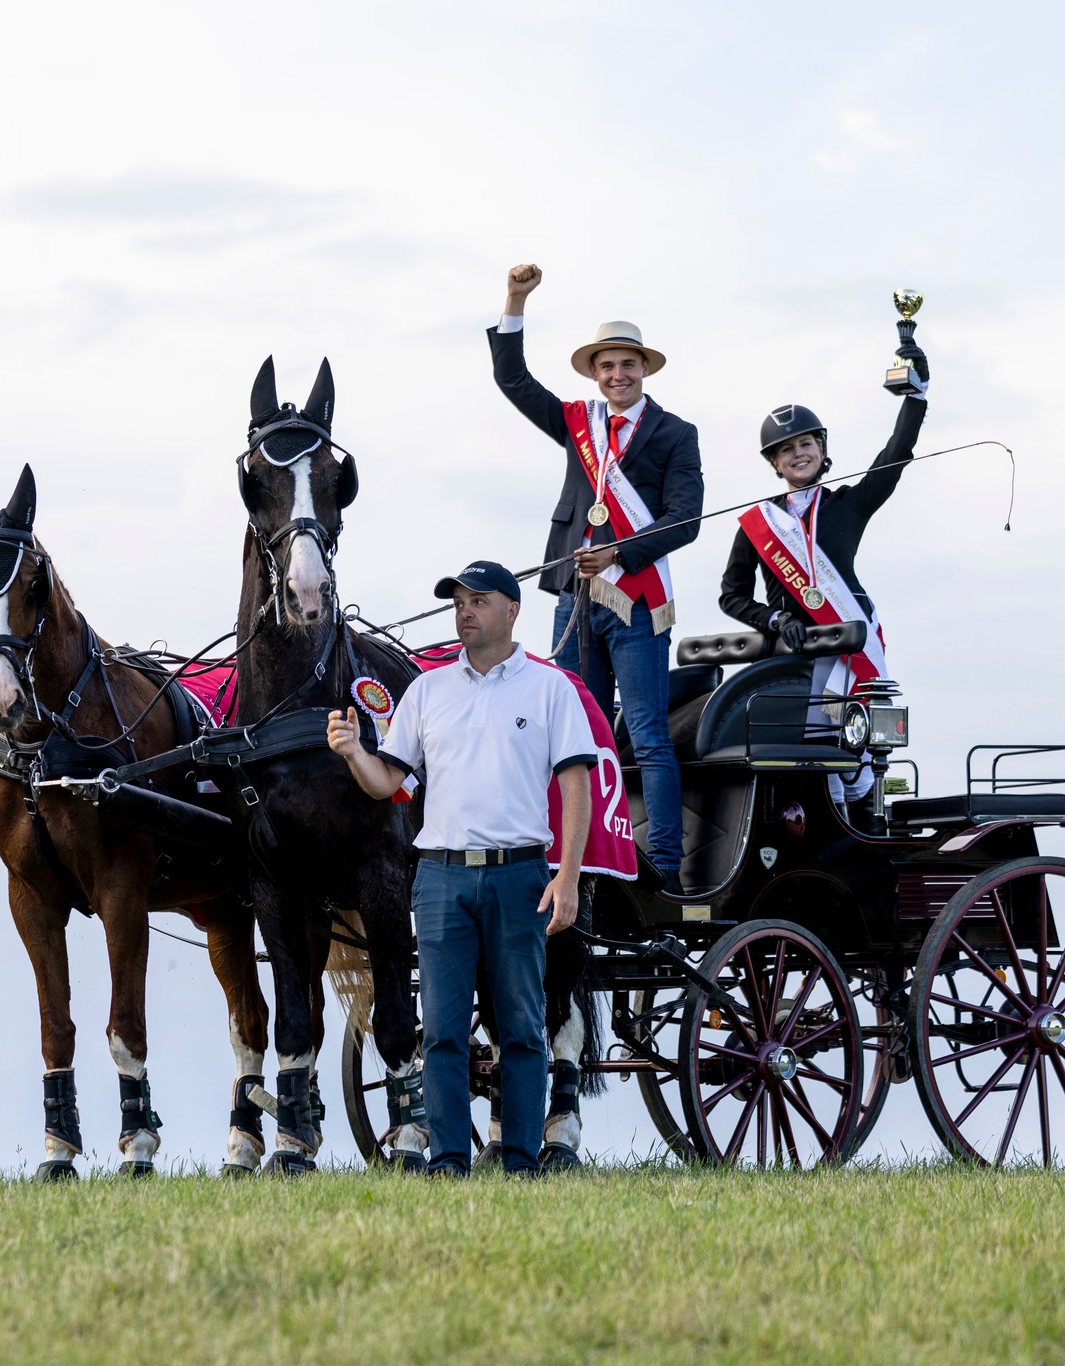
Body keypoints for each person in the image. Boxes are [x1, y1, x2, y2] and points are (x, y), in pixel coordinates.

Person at [327, 561, 594, 1176]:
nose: (464, 611)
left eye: (478, 600)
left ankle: (521, 1161)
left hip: (520, 876)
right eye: (458, 602)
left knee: (522, 1027)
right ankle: (449, 1161)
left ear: (512, 611)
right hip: (441, 878)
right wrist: (353, 753)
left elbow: (576, 786)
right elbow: (386, 782)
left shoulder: (550, 689)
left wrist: (569, 877)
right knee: (442, 1030)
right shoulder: (427, 691)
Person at [488, 263, 702, 896]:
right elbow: (512, 379)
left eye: (627, 364)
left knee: (646, 734)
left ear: (644, 369)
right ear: (593, 372)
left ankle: (664, 863)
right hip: (575, 599)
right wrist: (514, 302)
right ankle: (580, 853)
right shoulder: (576, 422)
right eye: (606, 366)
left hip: (636, 600)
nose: (617, 375)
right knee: (574, 730)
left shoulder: (675, 433)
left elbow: (685, 519)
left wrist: (618, 554)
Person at [717, 338, 930, 822]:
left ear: (822, 449)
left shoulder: (849, 505)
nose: (798, 454)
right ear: (775, 463)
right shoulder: (758, 524)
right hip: (793, 655)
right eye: (786, 449)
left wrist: (916, 398)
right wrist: (774, 619)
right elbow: (732, 596)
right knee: (810, 757)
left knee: (853, 755)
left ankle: (864, 829)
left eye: (806, 444)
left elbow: (895, 455)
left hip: (849, 643)